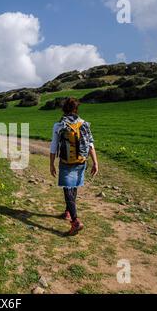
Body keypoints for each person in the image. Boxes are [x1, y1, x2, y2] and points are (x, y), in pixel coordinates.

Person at [50, 98, 99, 236]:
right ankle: (67, 212)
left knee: (67, 189)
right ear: (76, 109)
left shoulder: (59, 125)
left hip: (66, 162)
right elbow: (90, 145)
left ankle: (75, 221)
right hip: (81, 161)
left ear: (63, 110)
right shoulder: (84, 124)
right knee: (74, 186)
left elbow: (54, 146)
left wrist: (51, 164)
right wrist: (95, 162)